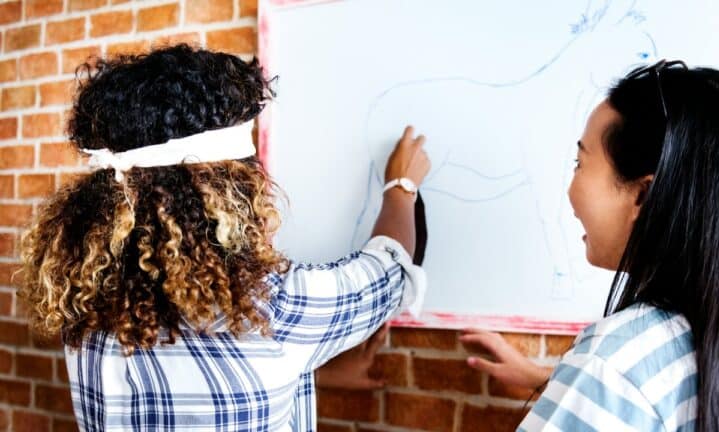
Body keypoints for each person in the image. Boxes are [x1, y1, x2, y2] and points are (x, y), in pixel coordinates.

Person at [17, 44, 430, 431]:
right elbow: (389, 269)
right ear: (227, 190)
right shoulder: (274, 304)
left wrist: (315, 371)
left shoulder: (87, 298)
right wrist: (401, 186)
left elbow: (186, 380)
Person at [462, 61, 719, 430]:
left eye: (579, 163)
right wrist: (561, 382)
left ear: (642, 195)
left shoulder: (615, 362)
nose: (570, 188)